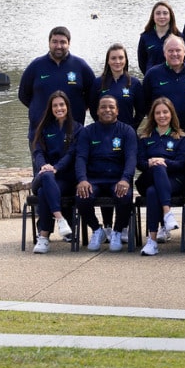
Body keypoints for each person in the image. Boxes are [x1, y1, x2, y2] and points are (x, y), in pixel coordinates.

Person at [74, 96, 138, 253]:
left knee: (124, 197)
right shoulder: (87, 131)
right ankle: (97, 230)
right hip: (94, 179)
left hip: (117, 179)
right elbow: (81, 158)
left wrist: (125, 179)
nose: (107, 110)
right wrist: (82, 179)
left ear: (117, 111)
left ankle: (116, 231)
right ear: (97, 111)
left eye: (111, 107)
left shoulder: (127, 131)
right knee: (82, 196)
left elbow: (131, 158)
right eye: (103, 107)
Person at [19, 26, 97, 136]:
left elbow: (93, 95)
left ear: (69, 43)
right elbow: (23, 95)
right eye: (54, 42)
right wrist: (40, 108)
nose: (58, 46)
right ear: (49, 43)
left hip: (72, 133)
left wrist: (78, 107)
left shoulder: (80, 66)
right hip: (40, 133)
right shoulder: (36, 66)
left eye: (63, 42)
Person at [135, 97, 185, 256]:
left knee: (153, 192)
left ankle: (152, 242)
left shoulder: (181, 137)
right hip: (148, 178)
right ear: (153, 116)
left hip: (174, 181)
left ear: (171, 114)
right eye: (158, 113)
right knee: (157, 168)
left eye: (165, 112)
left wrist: (165, 161)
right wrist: (151, 163)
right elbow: (139, 163)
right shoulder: (145, 137)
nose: (162, 116)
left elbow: (182, 163)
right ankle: (167, 212)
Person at [29, 92, 81, 253]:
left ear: (67, 107)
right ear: (50, 108)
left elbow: (72, 154)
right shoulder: (43, 128)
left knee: (45, 192)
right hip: (43, 175)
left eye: (62, 105)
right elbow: (37, 152)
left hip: (65, 179)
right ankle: (60, 219)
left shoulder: (77, 128)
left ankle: (43, 238)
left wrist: (56, 167)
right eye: (55, 105)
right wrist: (44, 166)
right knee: (46, 178)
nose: (59, 108)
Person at [139, 36, 185, 131]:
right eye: (170, 51)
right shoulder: (152, 74)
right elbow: (145, 104)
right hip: (162, 133)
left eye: (178, 50)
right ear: (164, 53)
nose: (174, 54)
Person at [96, 43, 143, 127]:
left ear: (126, 60)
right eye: (113, 58)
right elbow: (93, 109)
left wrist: (131, 128)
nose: (117, 61)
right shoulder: (98, 83)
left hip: (126, 133)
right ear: (108, 61)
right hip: (103, 133)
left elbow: (141, 111)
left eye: (121, 58)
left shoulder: (134, 83)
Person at [137, 1, 180, 74]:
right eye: (158, 13)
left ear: (170, 16)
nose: (162, 16)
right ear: (153, 17)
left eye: (165, 13)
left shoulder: (178, 36)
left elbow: (183, 59)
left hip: (173, 78)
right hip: (152, 79)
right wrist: (149, 74)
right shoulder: (145, 37)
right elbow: (142, 62)